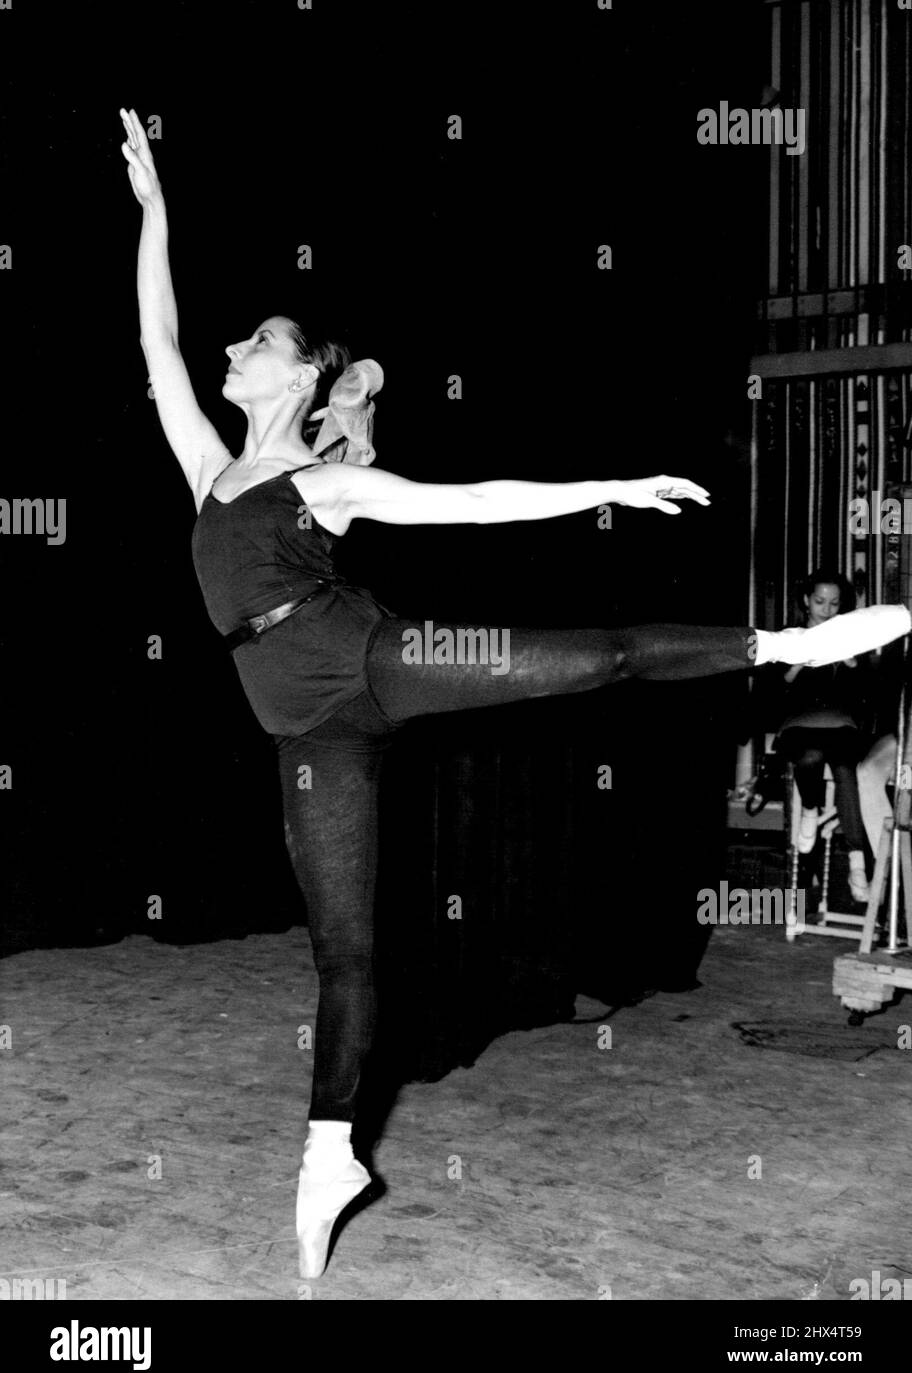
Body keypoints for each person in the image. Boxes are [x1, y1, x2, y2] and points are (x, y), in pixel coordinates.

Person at [120, 109, 912, 1279]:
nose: (233, 348)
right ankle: (331, 1149)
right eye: (236, 337)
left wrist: (610, 483)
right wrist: (155, 209)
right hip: (304, 725)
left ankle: (796, 643)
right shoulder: (207, 463)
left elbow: (479, 500)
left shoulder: (323, 484)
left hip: (378, 660)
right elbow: (157, 338)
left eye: (261, 338)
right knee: (346, 949)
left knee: (598, 655)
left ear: (300, 375)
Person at [772, 571, 875, 902]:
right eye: (819, 602)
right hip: (798, 725)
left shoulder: (848, 636)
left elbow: (867, 696)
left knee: (846, 770)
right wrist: (795, 666)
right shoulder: (791, 635)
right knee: (811, 757)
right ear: (805, 601)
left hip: (840, 724)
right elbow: (770, 692)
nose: (827, 610)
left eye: (834, 603)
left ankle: (858, 863)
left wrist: (853, 663)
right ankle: (811, 810)